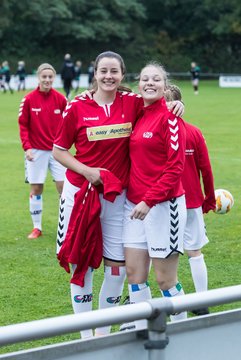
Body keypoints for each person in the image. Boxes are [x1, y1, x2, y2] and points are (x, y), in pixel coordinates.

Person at [53, 51, 185, 339]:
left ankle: (102, 335)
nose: (108, 76)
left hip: (117, 198)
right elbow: (58, 151)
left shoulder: (132, 103)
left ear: (122, 75)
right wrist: (87, 170)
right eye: (103, 71)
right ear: (95, 73)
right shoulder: (76, 106)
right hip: (80, 194)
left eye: (114, 71)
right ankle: (85, 339)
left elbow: (158, 103)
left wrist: (177, 104)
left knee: (117, 267)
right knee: (81, 264)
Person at [122, 62, 187, 331]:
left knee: (164, 280)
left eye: (156, 79)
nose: (150, 83)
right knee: (135, 275)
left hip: (163, 206)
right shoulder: (138, 112)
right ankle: (141, 330)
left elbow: (175, 167)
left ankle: (184, 330)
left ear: (164, 85)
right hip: (134, 207)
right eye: (145, 79)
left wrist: (149, 200)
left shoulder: (171, 117)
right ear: (139, 84)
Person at [165, 84, 216, 316]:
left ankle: (166, 300)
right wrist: (210, 198)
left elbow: (205, 168)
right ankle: (201, 299)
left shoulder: (155, 132)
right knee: (194, 252)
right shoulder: (194, 132)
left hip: (164, 202)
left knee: (162, 253)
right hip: (191, 201)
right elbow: (206, 170)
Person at [18, 63, 67, 239]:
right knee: (37, 188)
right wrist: (27, 148)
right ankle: (37, 227)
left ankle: (67, 226)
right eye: (44, 77)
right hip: (36, 151)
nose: (47, 80)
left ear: (54, 78)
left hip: (58, 151)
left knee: (64, 188)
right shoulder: (29, 99)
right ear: (38, 78)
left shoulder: (61, 99)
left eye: (50, 77)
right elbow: (23, 124)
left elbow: (69, 122)